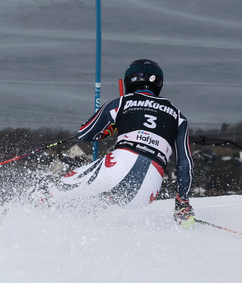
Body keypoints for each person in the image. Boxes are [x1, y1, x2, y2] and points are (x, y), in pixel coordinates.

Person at [37, 60, 195, 225]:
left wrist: (109, 129)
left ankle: (28, 213)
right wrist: (182, 202)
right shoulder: (178, 116)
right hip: (149, 187)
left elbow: (85, 133)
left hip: (119, 166)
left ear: (129, 80)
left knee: (54, 193)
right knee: (97, 205)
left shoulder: (122, 102)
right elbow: (185, 162)